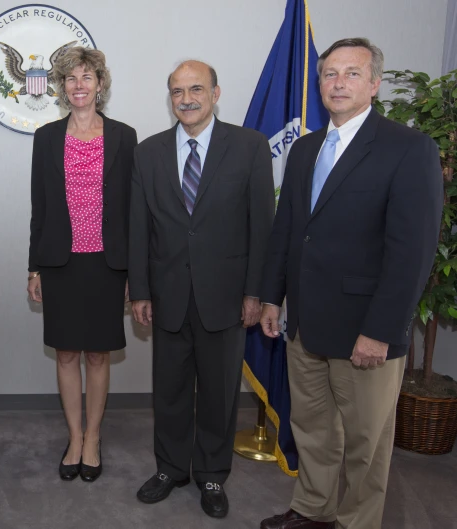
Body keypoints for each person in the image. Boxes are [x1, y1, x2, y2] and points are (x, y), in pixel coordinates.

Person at [258, 38, 442, 529]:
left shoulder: (408, 148)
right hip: (305, 326)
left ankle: (356, 522)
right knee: (314, 430)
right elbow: (288, 229)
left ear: (375, 83)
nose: (338, 83)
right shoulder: (305, 149)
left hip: (366, 329)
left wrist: (381, 329)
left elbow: (412, 253)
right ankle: (314, 510)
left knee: (367, 443)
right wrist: (273, 297)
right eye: (329, 74)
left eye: (351, 73)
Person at [129, 60, 274, 517]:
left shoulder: (249, 146)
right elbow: (139, 228)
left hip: (227, 296)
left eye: (195, 89)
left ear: (215, 93)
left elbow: (261, 227)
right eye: (176, 91)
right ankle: (171, 468)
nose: (185, 99)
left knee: (218, 391)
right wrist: (140, 291)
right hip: (167, 293)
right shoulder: (147, 152)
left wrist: (256, 291)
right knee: (168, 390)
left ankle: (212, 474)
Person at [27, 47, 137, 483]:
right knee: (67, 352)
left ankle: (94, 437)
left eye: (87, 77)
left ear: (100, 84)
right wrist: (34, 268)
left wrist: (134, 273)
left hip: (108, 264)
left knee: (97, 353)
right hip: (60, 262)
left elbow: (133, 208)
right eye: (71, 78)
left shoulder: (125, 136)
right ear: (61, 86)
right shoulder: (47, 137)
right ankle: (74, 436)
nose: (79, 85)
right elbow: (40, 207)